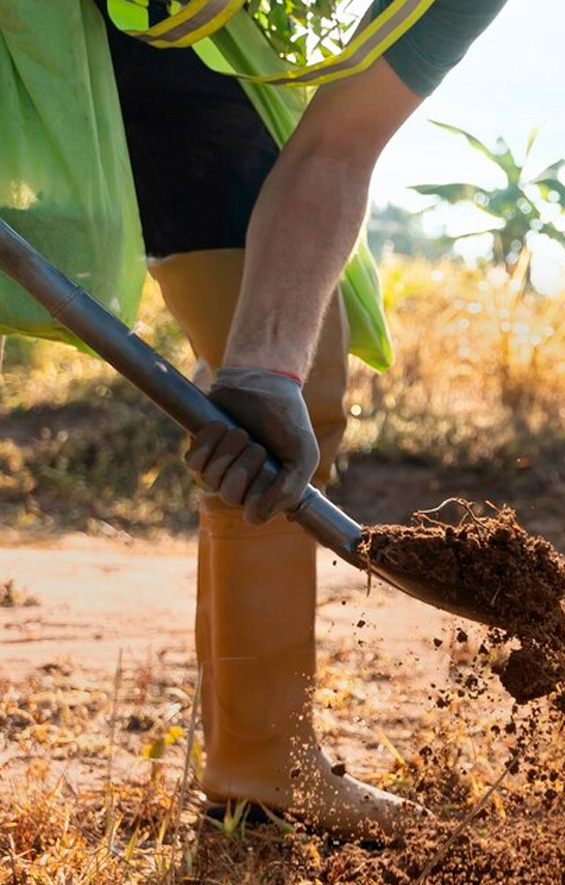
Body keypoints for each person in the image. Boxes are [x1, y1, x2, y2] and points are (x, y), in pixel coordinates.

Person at [86, 0, 509, 840]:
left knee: (301, 369)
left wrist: (261, 368)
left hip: (164, 42)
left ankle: (261, 764)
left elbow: (336, 143)